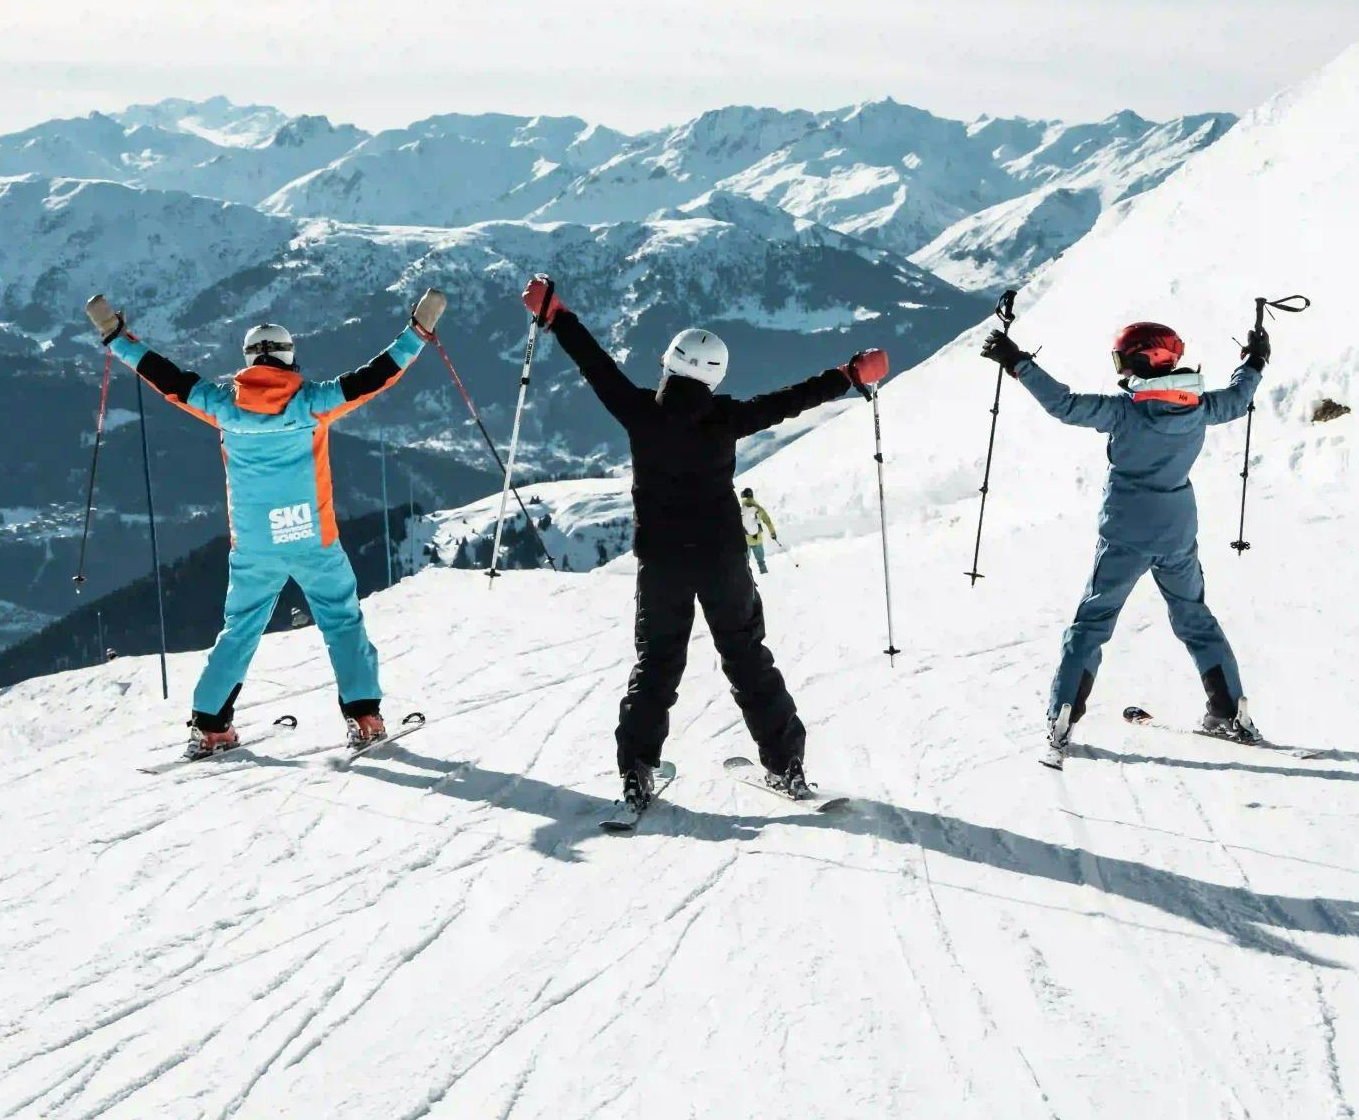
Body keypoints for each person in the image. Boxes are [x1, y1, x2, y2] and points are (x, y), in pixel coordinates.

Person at [521, 274, 885, 810]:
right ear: (715, 377)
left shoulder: (639, 410)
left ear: (668, 362)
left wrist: (557, 314)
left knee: (657, 665)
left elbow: (594, 364)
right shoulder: (728, 417)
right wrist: (849, 375)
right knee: (746, 657)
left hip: (662, 563)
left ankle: (637, 772)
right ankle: (788, 766)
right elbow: (792, 400)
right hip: (722, 560)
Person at [84, 289, 447, 759]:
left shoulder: (221, 405)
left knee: (240, 628)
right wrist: (417, 333)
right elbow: (376, 376)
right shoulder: (314, 402)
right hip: (313, 537)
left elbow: (165, 376)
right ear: (290, 359)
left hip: (255, 545)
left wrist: (117, 338)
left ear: (249, 360)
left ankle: (211, 725)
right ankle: (365, 718)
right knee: (341, 620)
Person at [981, 316, 1270, 765]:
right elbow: (1238, 398)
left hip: (1125, 533)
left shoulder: (1125, 410)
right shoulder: (1198, 407)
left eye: (1125, 358)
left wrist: (1016, 362)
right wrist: (1254, 359)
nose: (1121, 369)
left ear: (1144, 358)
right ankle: (1230, 712)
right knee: (1194, 617)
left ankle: (1063, 717)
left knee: (1092, 624)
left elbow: (1064, 404)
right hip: (1177, 531)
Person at [739, 487, 780, 573]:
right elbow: (767, 521)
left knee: (745, 563)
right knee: (761, 562)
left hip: (745, 540)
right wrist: (773, 533)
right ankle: (765, 576)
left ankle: (748, 582)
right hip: (757, 538)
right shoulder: (758, 509)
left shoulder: (741, 510)